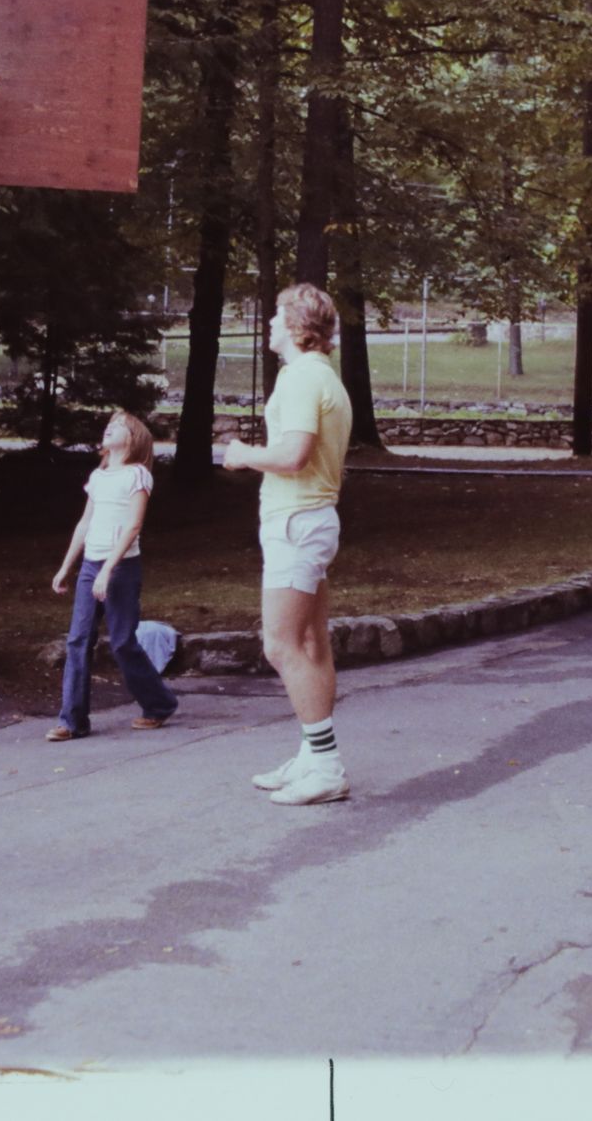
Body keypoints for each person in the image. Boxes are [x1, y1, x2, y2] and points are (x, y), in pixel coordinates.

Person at [224, 284, 353, 805]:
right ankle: (311, 756)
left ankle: (325, 766)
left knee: (279, 645)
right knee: (311, 645)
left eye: (277, 315)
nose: (270, 323)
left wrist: (241, 453)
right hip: (311, 520)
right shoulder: (321, 376)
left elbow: (295, 454)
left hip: (296, 523)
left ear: (299, 327)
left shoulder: (302, 378)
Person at [48, 409, 176, 739]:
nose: (109, 429)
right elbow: (85, 523)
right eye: (109, 425)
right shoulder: (100, 475)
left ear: (133, 439)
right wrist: (66, 567)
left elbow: (134, 525)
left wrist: (108, 570)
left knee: (121, 643)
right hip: (92, 566)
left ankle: (159, 704)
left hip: (121, 568)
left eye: (118, 426)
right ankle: (72, 721)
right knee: (78, 641)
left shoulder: (137, 475)